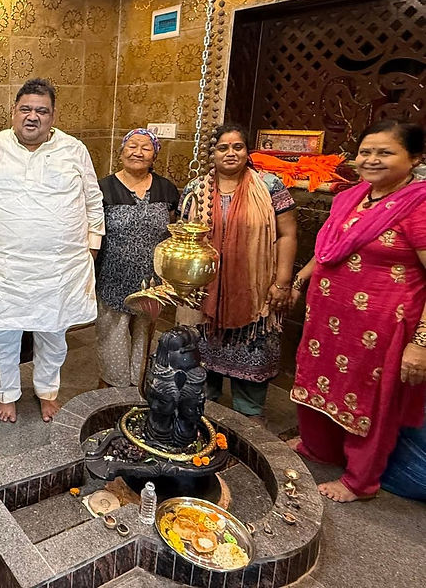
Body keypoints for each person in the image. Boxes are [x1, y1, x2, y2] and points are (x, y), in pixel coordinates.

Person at [288, 120, 426, 503]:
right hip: (329, 320)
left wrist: (421, 343)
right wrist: (298, 282)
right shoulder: (350, 197)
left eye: (385, 152)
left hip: (381, 326)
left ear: (415, 158)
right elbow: (327, 251)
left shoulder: (419, 206)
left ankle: (359, 482)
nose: (371, 160)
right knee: (319, 380)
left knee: (371, 401)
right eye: (366, 152)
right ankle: (319, 448)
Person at [0, 78, 105, 423]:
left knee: (53, 335)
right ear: (13, 112)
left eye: (41, 111)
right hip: (3, 268)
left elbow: (93, 199)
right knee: (3, 336)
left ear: (53, 116)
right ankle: (6, 394)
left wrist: (92, 248)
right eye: (25, 109)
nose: (33, 116)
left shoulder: (74, 149)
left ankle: (47, 391)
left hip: (58, 268)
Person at [179, 123, 297, 420]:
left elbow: (288, 235)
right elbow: (182, 238)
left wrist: (283, 282)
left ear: (247, 151)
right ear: (212, 154)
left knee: (252, 367)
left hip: (254, 291)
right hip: (204, 292)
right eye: (223, 148)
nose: (230, 153)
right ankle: (203, 422)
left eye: (237, 147)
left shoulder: (269, 186)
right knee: (200, 374)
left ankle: (248, 425)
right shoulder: (196, 189)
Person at [95, 128, 179, 388]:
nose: (138, 152)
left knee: (144, 339)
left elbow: (173, 229)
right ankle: (112, 390)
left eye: (146, 148)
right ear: (121, 153)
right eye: (132, 146)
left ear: (154, 156)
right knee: (112, 338)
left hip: (152, 283)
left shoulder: (166, 189)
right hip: (112, 278)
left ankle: (138, 389)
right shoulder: (103, 188)